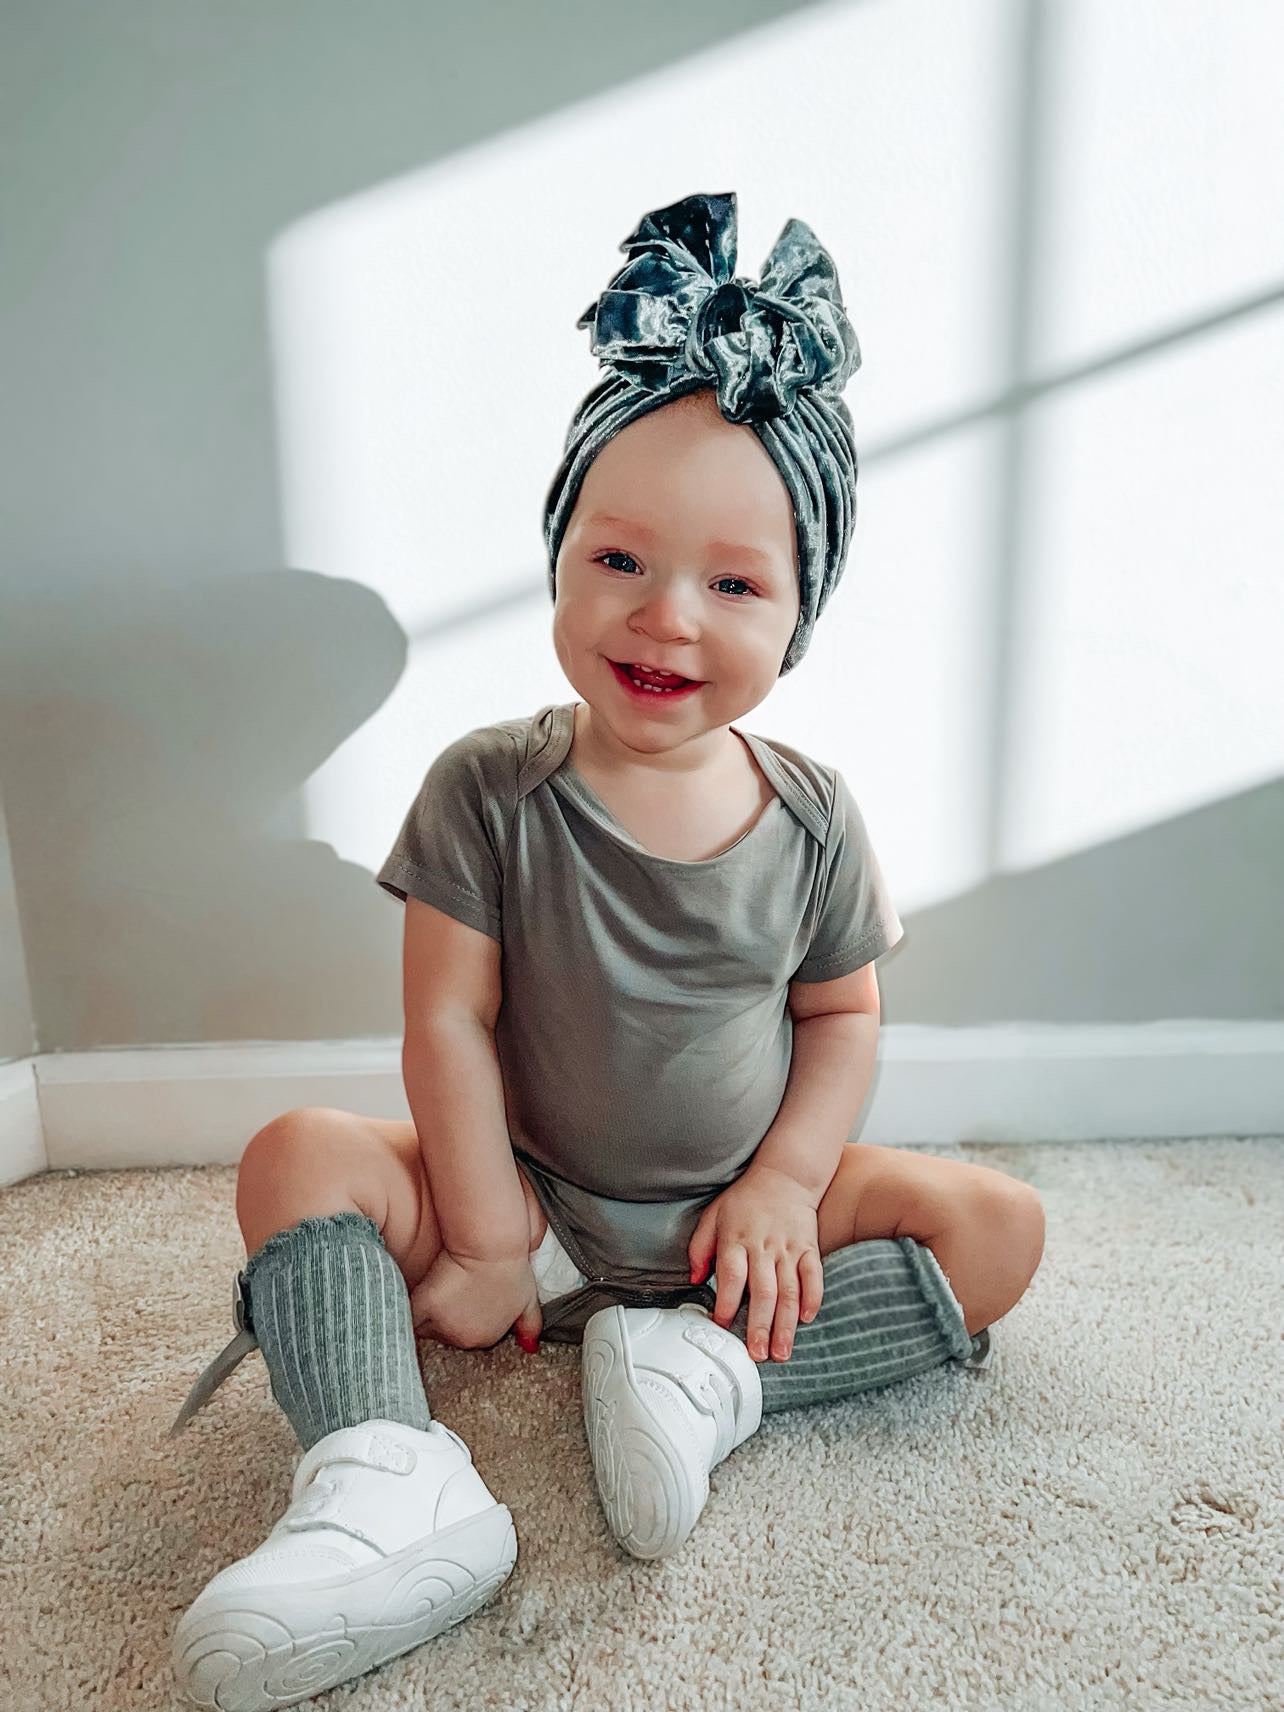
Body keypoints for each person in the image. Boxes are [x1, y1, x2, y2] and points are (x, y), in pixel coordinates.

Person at [168, 190, 1044, 1710]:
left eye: (735, 583)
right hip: (533, 1199)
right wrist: (493, 1232)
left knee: (1003, 1233)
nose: (667, 617)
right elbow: (446, 1023)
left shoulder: (817, 818)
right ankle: (387, 1473)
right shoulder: (488, 789)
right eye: (621, 558)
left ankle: (710, 1377)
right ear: (562, 556)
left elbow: (840, 1018)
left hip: (731, 1236)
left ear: (801, 611)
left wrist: (779, 1186)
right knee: (297, 1155)